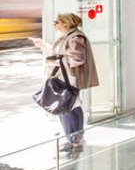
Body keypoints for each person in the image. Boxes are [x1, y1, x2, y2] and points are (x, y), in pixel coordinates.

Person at [33, 13, 99, 153]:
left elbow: (76, 59)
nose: (54, 24)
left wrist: (54, 60)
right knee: (68, 108)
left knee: (69, 108)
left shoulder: (75, 38)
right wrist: (44, 46)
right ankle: (73, 139)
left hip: (69, 79)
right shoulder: (70, 36)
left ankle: (75, 140)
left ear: (66, 23)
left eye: (56, 22)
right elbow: (61, 53)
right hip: (65, 78)